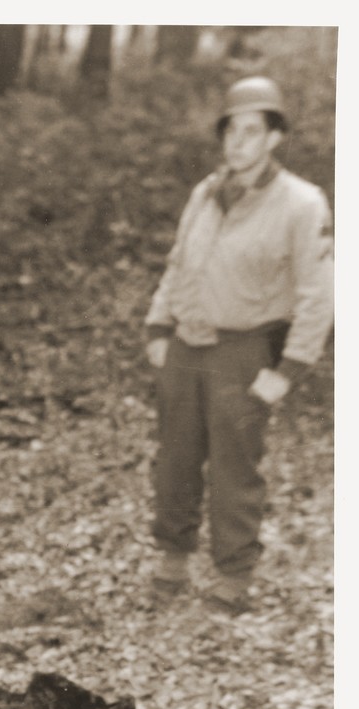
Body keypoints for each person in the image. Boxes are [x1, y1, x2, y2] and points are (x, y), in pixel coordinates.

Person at [144, 75, 333, 613]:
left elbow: (320, 293)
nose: (238, 142)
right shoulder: (205, 191)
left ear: (274, 137)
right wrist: (159, 330)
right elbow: (180, 263)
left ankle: (233, 576)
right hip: (185, 345)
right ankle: (172, 559)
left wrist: (290, 368)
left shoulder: (301, 203)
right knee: (175, 460)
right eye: (231, 130)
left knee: (234, 469)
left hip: (244, 352)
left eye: (252, 131)